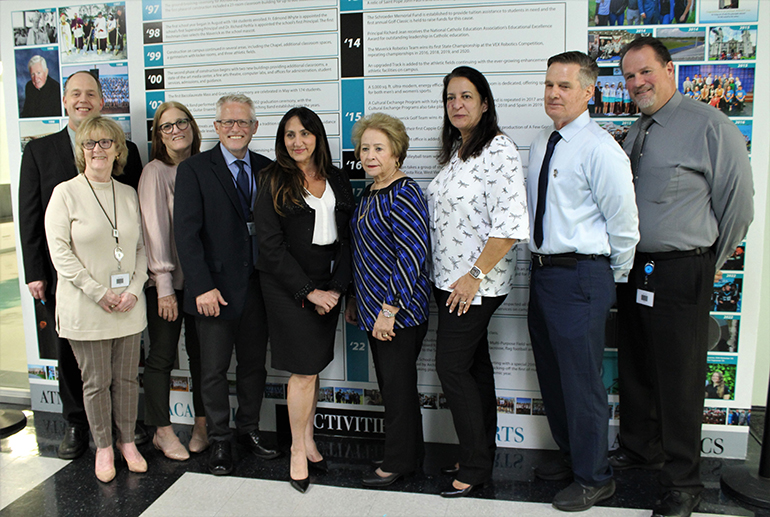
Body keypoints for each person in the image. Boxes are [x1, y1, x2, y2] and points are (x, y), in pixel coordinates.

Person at [614, 37, 753, 517]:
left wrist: (704, 265)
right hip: (639, 268)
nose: (636, 83)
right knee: (636, 368)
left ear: (670, 70)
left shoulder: (709, 125)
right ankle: (639, 451)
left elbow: (739, 207)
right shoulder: (637, 132)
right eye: (629, 76)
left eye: (645, 72)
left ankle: (684, 482)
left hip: (681, 269)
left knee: (679, 379)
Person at [527, 51, 639, 512]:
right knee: (554, 379)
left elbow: (625, 224)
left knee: (581, 383)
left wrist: (609, 279)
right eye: (550, 84)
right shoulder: (542, 141)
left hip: (583, 275)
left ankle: (596, 478)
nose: (554, 93)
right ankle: (573, 457)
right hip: (544, 275)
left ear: (589, 92)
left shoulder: (599, 147)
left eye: (565, 86)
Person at [18, 70, 145, 460]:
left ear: (102, 101)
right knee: (76, 362)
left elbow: (135, 230)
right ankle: (77, 423)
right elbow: (29, 215)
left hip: (119, 280)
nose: (82, 99)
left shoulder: (130, 156)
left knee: (121, 371)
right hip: (68, 279)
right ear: (64, 100)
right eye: (75, 93)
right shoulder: (40, 151)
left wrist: (132, 286)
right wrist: (36, 272)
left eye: (90, 93)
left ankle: (121, 433)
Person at [426, 66, 529, 498]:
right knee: (473, 366)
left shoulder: (498, 149)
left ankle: (474, 466)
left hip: (475, 284)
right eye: (451, 98)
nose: (458, 104)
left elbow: (509, 224)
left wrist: (473, 277)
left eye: (467, 96)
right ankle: (480, 453)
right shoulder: (457, 151)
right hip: (449, 280)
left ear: (484, 103)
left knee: (451, 366)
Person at [174, 94, 280, 477]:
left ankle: (248, 429)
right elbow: (186, 235)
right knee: (214, 370)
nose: (236, 128)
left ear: (254, 127)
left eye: (243, 122)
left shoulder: (269, 169)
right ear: (217, 128)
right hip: (213, 291)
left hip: (258, 289)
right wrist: (200, 286)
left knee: (254, 366)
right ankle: (220, 438)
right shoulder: (195, 169)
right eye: (228, 123)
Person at [254, 107, 355, 493]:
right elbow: (270, 246)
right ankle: (298, 448)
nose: (298, 142)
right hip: (286, 287)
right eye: (290, 135)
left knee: (313, 369)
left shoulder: (338, 180)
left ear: (318, 137)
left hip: (328, 285)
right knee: (302, 370)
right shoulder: (272, 180)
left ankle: (309, 438)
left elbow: (348, 239)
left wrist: (337, 289)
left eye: (305, 133)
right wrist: (308, 292)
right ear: (282, 141)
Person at [44, 116, 148, 483]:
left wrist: (133, 290)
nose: (98, 150)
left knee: (126, 381)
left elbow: (139, 249)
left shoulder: (129, 193)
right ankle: (103, 446)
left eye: (106, 143)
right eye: (90, 143)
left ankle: (127, 443)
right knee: (96, 382)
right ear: (81, 150)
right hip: (87, 308)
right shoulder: (65, 193)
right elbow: (60, 253)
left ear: (118, 149)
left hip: (128, 308)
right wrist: (99, 292)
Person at [346, 113, 431, 488]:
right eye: (365, 148)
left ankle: (398, 462)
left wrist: (388, 310)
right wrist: (356, 301)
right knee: (394, 387)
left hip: (398, 313)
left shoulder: (405, 190)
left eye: (379, 147)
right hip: (372, 310)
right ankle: (407, 456)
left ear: (397, 152)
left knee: (397, 389)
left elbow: (413, 254)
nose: (369, 154)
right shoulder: (370, 192)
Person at [137, 102, 207, 461]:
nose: (176, 129)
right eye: (166, 126)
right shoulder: (155, 172)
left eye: (181, 122)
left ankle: (202, 424)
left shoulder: (204, 168)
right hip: (167, 286)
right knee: (162, 357)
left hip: (201, 283)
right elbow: (154, 233)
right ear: (159, 136)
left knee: (202, 358)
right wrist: (164, 287)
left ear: (192, 127)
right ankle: (162, 431)